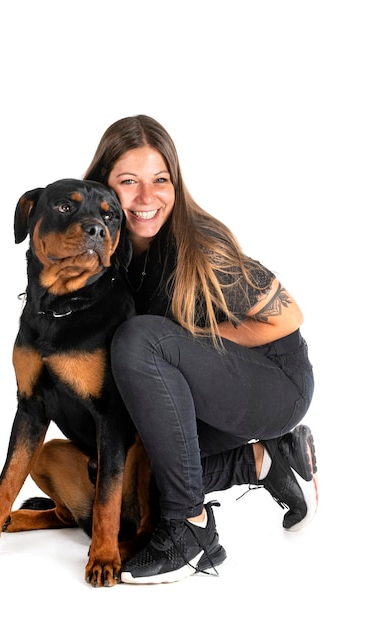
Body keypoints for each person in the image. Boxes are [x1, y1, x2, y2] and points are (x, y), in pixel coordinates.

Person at [82, 114, 318, 585]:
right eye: (128, 182)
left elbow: (288, 316)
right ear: (102, 188)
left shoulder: (200, 245)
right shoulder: (110, 248)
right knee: (129, 479)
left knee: (139, 339)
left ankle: (190, 531)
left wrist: (189, 344)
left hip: (273, 383)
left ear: (175, 183)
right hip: (210, 392)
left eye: (160, 180)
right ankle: (264, 460)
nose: (147, 199)